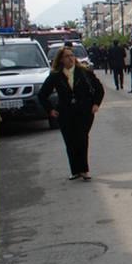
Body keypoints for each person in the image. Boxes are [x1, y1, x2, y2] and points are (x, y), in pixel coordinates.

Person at [39, 45, 105, 181]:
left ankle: (84, 170)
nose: (70, 59)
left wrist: (96, 104)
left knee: (82, 138)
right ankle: (75, 170)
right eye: (67, 56)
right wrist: (50, 110)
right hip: (65, 113)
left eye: (72, 55)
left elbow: (99, 89)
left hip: (84, 111)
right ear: (61, 59)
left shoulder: (84, 72)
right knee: (70, 141)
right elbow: (42, 95)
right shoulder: (55, 76)